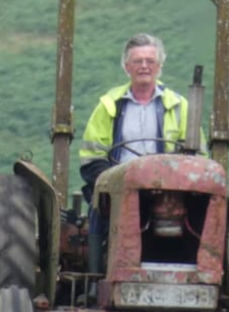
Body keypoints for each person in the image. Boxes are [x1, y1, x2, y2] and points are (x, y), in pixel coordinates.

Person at [79, 33, 191, 203]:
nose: (144, 66)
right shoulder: (108, 105)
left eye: (150, 61)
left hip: (168, 191)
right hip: (119, 192)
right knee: (100, 211)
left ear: (159, 66)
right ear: (127, 66)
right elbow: (92, 158)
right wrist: (111, 185)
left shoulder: (179, 106)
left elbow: (196, 157)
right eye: (138, 61)